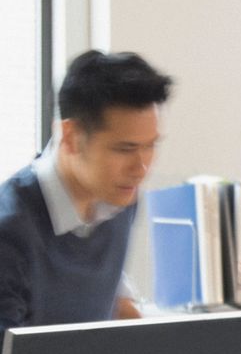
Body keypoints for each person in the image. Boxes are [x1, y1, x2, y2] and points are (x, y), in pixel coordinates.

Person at [0, 50, 171, 338]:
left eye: (150, 145)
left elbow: (109, 301)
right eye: (125, 149)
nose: (141, 167)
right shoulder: (10, 231)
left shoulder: (121, 199)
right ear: (71, 136)